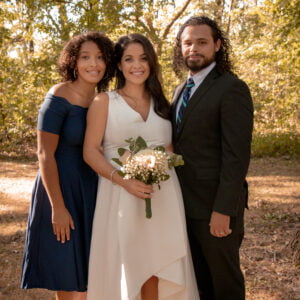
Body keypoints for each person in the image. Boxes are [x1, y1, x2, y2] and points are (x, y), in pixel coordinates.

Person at [83, 33, 199, 300]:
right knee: (131, 261)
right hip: (120, 193)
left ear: (151, 63)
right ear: (119, 65)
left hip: (163, 195)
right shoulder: (104, 102)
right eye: (129, 59)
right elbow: (90, 151)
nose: (137, 65)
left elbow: (170, 150)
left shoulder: (162, 104)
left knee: (160, 264)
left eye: (143, 58)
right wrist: (124, 180)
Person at [21, 31, 115, 300]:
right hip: (61, 190)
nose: (93, 64)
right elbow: (44, 154)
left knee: (86, 272)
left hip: (91, 189)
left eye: (99, 57)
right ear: (73, 61)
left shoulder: (101, 99)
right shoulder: (59, 94)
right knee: (66, 269)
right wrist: (58, 207)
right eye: (85, 57)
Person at [171, 16, 254, 300]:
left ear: (217, 45)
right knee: (200, 283)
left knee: (224, 285)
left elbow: (237, 156)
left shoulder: (232, 88)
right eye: (187, 42)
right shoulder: (181, 90)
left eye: (202, 42)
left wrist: (223, 210)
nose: (193, 48)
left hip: (214, 209)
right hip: (183, 204)